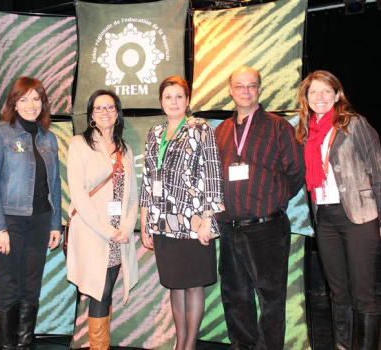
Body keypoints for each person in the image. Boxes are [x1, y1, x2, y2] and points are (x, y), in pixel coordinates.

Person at [214, 66, 305, 349]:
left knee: (270, 298)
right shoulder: (222, 130)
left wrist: (271, 202)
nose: (245, 91)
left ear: (259, 89)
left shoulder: (279, 127)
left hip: (267, 228)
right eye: (239, 86)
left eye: (251, 85)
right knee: (235, 295)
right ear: (230, 90)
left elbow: (296, 171)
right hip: (229, 228)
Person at [297, 70, 381, 349]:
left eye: (325, 91)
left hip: (359, 216)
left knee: (363, 293)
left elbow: (378, 172)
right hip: (326, 219)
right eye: (313, 92)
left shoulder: (354, 124)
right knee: (337, 292)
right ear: (306, 98)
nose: (319, 97)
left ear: (336, 94)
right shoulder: (307, 131)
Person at [140, 76, 224, 350]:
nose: (173, 102)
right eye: (168, 97)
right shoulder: (154, 133)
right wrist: (145, 223)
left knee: (193, 285)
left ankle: (188, 346)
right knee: (175, 285)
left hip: (194, 221)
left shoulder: (200, 128)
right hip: (162, 222)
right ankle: (180, 342)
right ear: (161, 102)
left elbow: (213, 174)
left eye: (179, 96)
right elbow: (147, 180)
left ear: (187, 101)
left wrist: (208, 220)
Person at [0, 77, 62, 349]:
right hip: (9, 222)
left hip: (40, 222)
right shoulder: (0, 134)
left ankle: (24, 345)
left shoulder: (49, 138)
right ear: (14, 103)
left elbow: (55, 184)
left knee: (31, 288)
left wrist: (55, 224)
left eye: (36, 98)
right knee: (8, 288)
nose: (31, 104)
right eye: (24, 99)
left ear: (43, 103)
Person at [66, 89, 139, 349]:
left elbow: (133, 196)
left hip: (119, 234)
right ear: (91, 116)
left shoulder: (125, 149)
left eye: (110, 108)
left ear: (117, 113)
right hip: (93, 233)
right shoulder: (79, 144)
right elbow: (79, 196)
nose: (105, 112)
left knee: (105, 291)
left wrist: (127, 228)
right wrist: (107, 230)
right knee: (99, 291)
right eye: (99, 108)